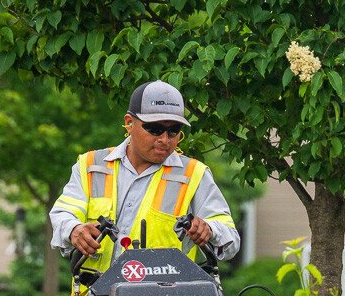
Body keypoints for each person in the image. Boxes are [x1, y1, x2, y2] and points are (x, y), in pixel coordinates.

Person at [50, 81, 239, 278]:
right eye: (155, 129)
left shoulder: (194, 175)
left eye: (173, 130)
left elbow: (230, 238)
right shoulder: (91, 166)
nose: (165, 139)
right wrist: (73, 229)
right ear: (129, 123)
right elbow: (63, 214)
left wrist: (209, 229)